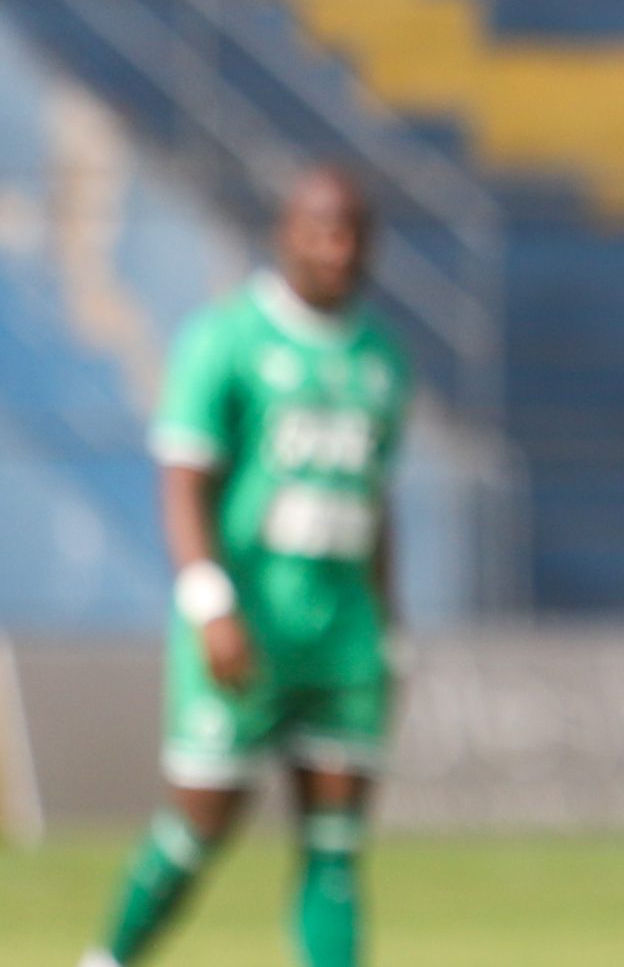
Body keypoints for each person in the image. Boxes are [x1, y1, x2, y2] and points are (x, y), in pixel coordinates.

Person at [82, 166, 409, 967]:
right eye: (321, 229)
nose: (338, 248)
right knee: (202, 819)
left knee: (336, 843)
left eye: (352, 232)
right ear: (285, 234)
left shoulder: (381, 361)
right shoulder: (227, 340)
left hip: (341, 640)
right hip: (247, 628)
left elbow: (376, 505)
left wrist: (390, 627)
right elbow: (184, 482)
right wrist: (208, 602)